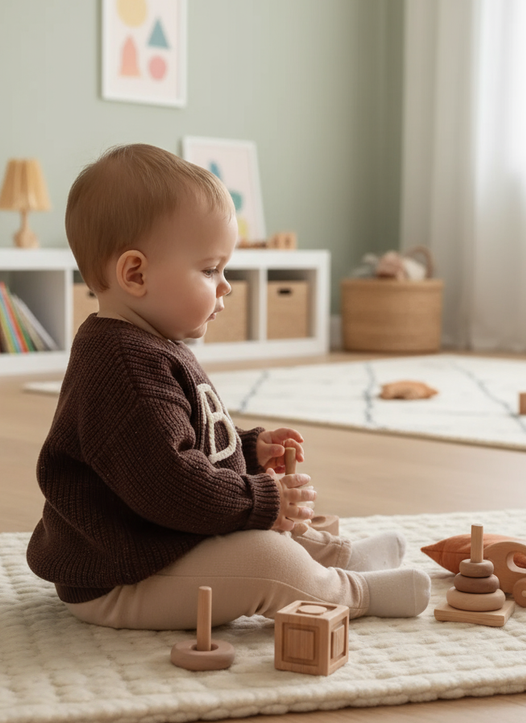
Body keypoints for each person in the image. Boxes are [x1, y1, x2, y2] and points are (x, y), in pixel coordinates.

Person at [26, 143, 430, 631]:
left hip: (160, 539)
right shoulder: (124, 367)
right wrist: (262, 499)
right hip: (123, 577)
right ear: (136, 274)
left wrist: (248, 447)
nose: (226, 285)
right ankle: (351, 591)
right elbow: (172, 485)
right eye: (209, 269)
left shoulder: (150, 344)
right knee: (262, 555)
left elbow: (185, 439)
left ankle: (337, 555)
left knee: (269, 529)